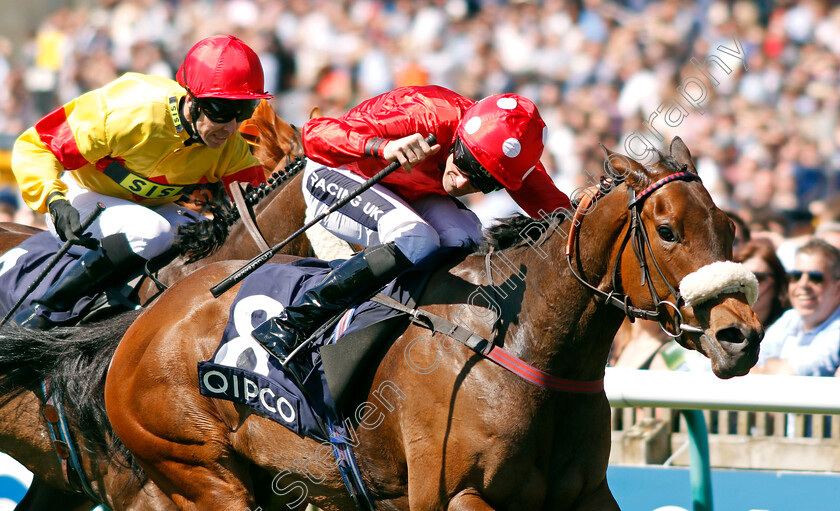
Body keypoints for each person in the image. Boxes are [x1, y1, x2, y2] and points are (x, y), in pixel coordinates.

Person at [252, 85, 571, 383]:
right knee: (418, 238)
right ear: (459, 136)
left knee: (466, 239)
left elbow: (564, 216)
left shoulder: (508, 159)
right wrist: (383, 147)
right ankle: (292, 324)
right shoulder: (426, 113)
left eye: (483, 181)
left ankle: (407, 336)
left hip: (407, 195)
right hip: (338, 173)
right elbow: (314, 136)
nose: (460, 184)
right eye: (462, 162)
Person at [11, 34, 272, 329]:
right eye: (222, 111)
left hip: (148, 211)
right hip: (82, 197)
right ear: (192, 99)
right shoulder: (129, 110)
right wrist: (54, 200)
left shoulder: (231, 149)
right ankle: (42, 312)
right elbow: (37, 145)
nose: (231, 127)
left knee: (203, 233)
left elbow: (258, 210)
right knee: (151, 230)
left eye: (244, 112)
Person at [751, 238, 840, 376]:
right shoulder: (790, 317)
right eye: (796, 276)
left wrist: (766, 367)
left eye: (816, 278)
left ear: (837, 288)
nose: (803, 285)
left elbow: (790, 372)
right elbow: (746, 363)